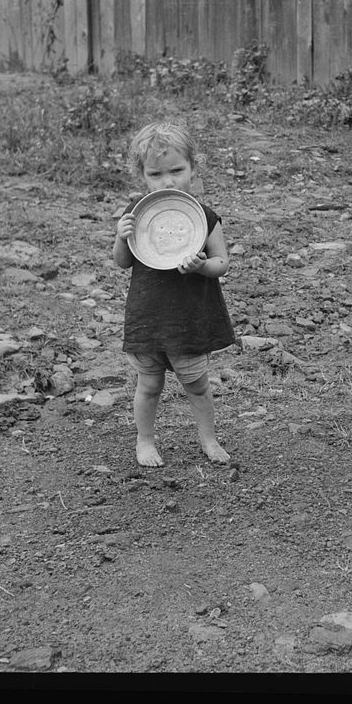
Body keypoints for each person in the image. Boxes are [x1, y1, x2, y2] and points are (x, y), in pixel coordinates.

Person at [114, 120, 235, 467]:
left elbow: (221, 262)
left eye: (177, 170)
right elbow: (122, 263)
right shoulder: (139, 216)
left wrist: (202, 266)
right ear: (142, 177)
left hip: (189, 318)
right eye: (155, 174)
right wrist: (122, 236)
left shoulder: (203, 218)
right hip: (148, 318)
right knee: (148, 385)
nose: (168, 181)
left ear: (194, 169)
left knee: (197, 384)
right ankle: (145, 440)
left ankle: (208, 438)